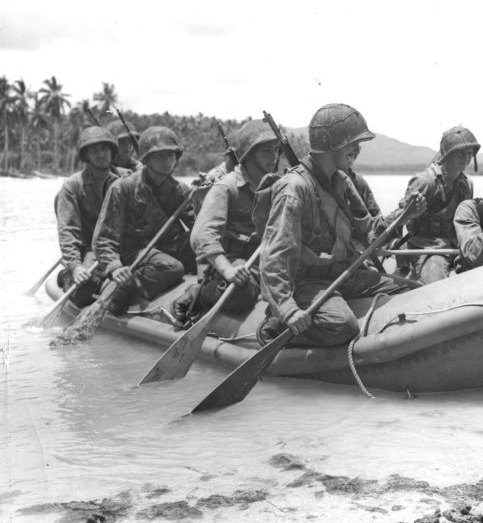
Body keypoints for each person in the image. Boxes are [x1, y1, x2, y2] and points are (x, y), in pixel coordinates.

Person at [258, 103, 425, 347]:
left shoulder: (341, 181)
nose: (357, 150)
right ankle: (275, 327)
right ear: (330, 144)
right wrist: (287, 309)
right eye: (352, 143)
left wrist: (404, 215)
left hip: (343, 274)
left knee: (412, 290)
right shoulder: (294, 189)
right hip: (305, 284)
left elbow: (369, 231)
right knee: (342, 326)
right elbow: (274, 258)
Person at [180, 120, 279, 320]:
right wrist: (227, 270)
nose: (273, 156)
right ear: (249, 154)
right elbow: (203, 234)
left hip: (269, 260)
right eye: (266, 151)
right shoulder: (226, 187)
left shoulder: (277, 186)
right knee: (240, 293)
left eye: (275, 150)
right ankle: (198, 295)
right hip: (235, 262)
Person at [93, 126, 196, 315]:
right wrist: (115, 267)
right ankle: (126, 287)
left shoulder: (181, 190)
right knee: (173, 268)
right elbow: (104, 238)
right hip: (134, 253)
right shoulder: (123, 188)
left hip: (166, 248)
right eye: (160, 156)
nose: (167, 161)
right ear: (146, 159)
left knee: (199, 244)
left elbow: (197, 227)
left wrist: (204, 199)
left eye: (171, 155)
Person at [397, 125, 477, 283]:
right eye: (460, 153)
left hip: (454, 247)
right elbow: (400, 217)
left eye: (469, 153)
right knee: (435, 283)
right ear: (447, 155)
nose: (466, 158)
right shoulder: (425, 181)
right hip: (426, 248)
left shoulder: (467, 184)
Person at [54, 126, 123, 306]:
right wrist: (76, 266)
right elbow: (68, 231)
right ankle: (66, 276)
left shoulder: (123, 181)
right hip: (88, 250)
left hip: (118, 248)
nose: (101, 155)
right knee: (84, 290)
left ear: (112, 151)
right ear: (86, 155)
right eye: (94, 150)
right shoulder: (72, 187)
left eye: (105, 149)